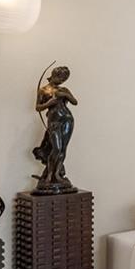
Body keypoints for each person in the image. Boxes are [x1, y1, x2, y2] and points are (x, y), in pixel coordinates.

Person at [32, 65, 78, 194]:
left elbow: (75, 102)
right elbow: (38, 107)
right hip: (54, 121)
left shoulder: (64, 89)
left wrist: (64, 94)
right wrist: (49, 103)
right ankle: (49, 175)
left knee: (63, 148)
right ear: (53, 75)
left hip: (67, 119)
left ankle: (57, 175)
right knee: (56, 148)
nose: (62, 80)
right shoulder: (44, 90)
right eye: (60, 77)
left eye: (64, 78)